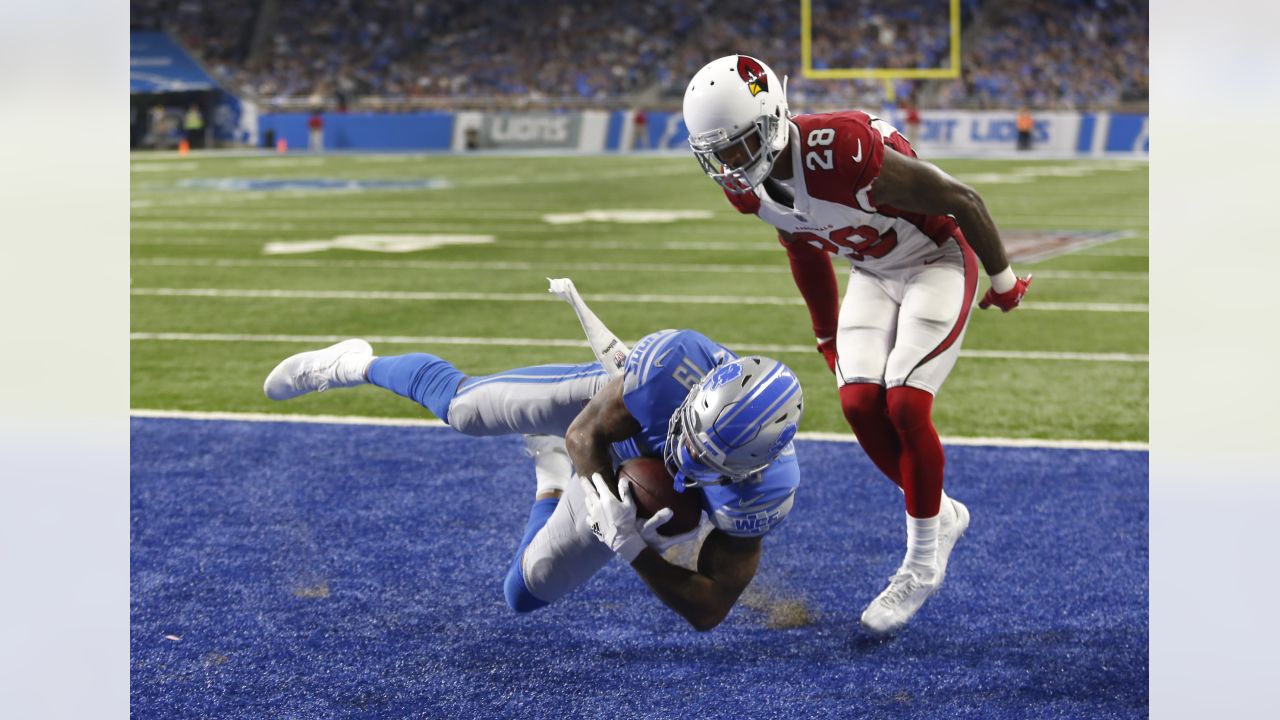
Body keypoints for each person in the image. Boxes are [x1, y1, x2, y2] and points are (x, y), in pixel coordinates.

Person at [682, 55, 1033, 635]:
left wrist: (1003, 282)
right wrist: (824, 333)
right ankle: (938, 512)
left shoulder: (836, 148)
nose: (731, 164)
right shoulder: (746, 191)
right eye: (718, 152)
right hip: (873, 271)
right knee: (857, 404)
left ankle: (921, 561)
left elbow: (961, 200)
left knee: (906, 403)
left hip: (936, 258)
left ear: (772, 120)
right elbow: (802, 248)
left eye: (740, 145)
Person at [261, 279, 805, 631]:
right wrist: (598, 493)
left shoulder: (761, 497)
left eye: (705, 460)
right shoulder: (671, 368)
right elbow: (586, 432)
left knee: (525, 591)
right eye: (689, 433)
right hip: (614, 414)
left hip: (637, 486)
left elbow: (710, 608)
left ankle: (548, 478)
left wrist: (631, 545)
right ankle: (352, 364)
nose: (684, 454)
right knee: (466, 409)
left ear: (748, 468)